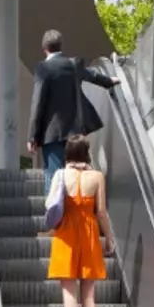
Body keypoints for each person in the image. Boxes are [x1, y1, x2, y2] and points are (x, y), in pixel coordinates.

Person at [26, 29, 120, 196]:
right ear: (61, 46)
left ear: (44, 48)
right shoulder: (73, 64)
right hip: (76, 133)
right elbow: (91, 75)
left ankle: (56, 218)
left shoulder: (43, 68)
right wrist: (109, 81)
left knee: (55, 179)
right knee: (78, 178)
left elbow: (38, 102)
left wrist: (33, 136)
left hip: (52, 134)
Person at [48, 135, 111, 307]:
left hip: (65, 234)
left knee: (68, 291)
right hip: (89, 233)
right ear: (86, 153)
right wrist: (109, 238)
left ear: (67, 153)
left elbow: (49, 204)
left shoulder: (60, 175)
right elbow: (101, 212)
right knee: (89, 292)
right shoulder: (97, 177)